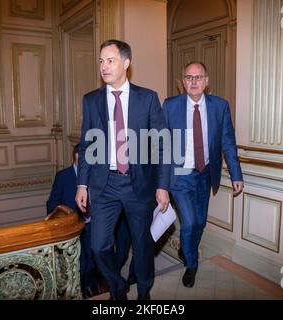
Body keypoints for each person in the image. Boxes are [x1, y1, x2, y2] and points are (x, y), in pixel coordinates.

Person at [76, 39, 170, 300]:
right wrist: (81, 184)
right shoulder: (91, 100)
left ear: (126, 63)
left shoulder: (147, 98)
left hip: (138, 184)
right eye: (101, 61)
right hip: (103, 185)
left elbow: (162, 145)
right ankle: (118, 289)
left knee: (142, 245)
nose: (103, 66)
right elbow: (86, 145)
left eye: (110, 60)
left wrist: (162, 186)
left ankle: (144, 291)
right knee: (98, 246)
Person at [162, 61, 244, 288]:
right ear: (183, 82)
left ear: (206, 81)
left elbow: (228, 141)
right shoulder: (170, 106)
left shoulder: (220, 106)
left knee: (200, 222)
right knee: (188, 223)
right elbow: (162, 145)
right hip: (180, 176)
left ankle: (184, 248)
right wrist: (160, 184)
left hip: (205, 174)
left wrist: (236, 174)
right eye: (189, 77)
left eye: (198, 77)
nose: (194, 81)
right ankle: (191, 263)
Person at [46, 143, 99, 299]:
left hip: (92, 224)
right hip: (73, 228)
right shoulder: (63, 176)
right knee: (80, 263)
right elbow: (52, 202)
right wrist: (53, 219)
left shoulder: (94, 174)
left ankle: (92, 285)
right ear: (77, 157)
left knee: (94, 258)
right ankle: (82, 291)